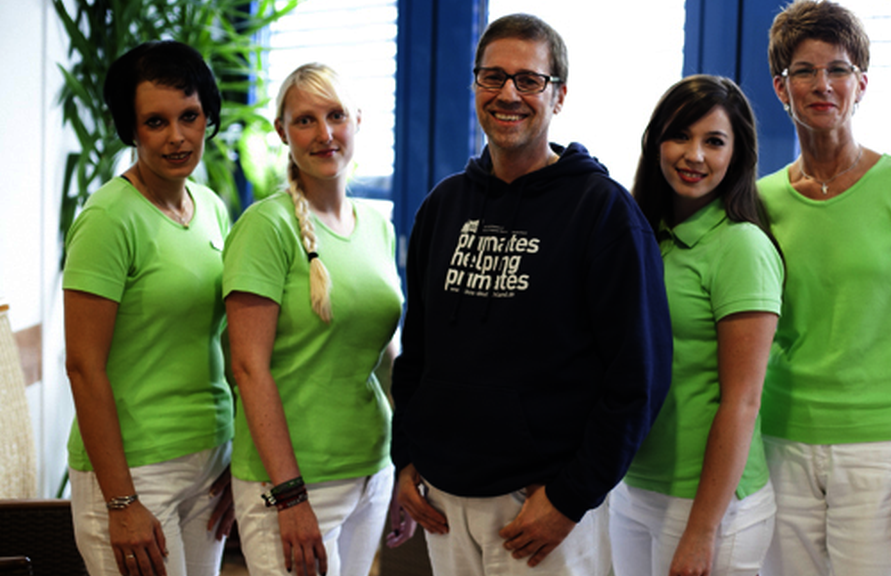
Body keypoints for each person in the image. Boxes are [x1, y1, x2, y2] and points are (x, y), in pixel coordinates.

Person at [390, 12, 673, 576]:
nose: (508, 94)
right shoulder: (442, 207)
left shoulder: (603, 212)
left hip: (540, 507)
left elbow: (637, 378)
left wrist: (571, 497)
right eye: (492, 77)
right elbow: (416, 353)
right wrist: (406, 458)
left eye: (529, 80)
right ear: (475, 86)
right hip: (443, 499)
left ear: (559, 95)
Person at [759, 2, 891, 575]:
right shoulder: (760, 201)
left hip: (883, 452)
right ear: (780, 88)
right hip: (780, 443)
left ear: (861, 85)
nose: (823, 85)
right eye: (805, 71)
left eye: (838, 69)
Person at [223, 63, 411, 576]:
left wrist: (401, 471)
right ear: (283, 132)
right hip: (290, 481)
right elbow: (248, 369)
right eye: (305, 120)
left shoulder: (377, 226)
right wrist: (289, 496)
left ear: (357, 121)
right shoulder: (265, 227)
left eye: (336, 116)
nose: (324, 134)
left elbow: (386, 363)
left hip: (371, 469)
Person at [63, 40, 234, 576]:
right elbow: (83, 365)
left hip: (209, 461)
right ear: (131, 130)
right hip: (135, 472)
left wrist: (236, 461)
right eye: (156, 122)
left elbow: (227, 342)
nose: (178, 137)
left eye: (190, 116)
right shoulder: (109, 219)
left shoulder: (210, 207)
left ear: (208, 116)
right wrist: (120, 502)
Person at [610, 75, 783, 576]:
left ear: (737, 154)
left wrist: (702, 530)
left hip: (710, 506)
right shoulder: (644, 236)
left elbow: (743, 400)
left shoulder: (742, 247)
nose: (694, 155)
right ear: (656, 142)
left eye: (714, 141)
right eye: (680, 135)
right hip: (635, 486)